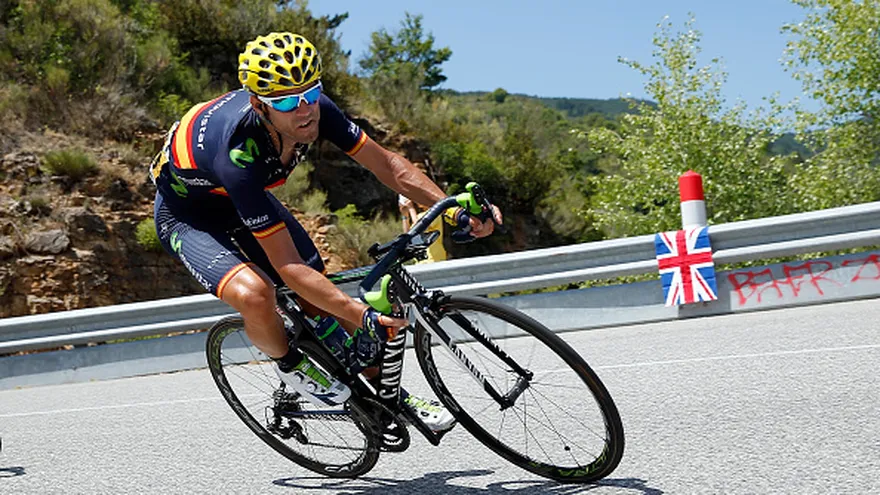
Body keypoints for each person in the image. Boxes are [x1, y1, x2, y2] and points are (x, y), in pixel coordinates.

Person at [150, 32, 501, 432]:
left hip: (242, 199)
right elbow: (286, 266)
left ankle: (389, 399)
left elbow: (387, 165)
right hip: (189, 215)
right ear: (259, 105)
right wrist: (360, 313)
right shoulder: (238, 156)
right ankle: (291, 366)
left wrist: (449, 208)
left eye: (310, 92)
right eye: (284, 100)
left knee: (321, 294)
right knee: (257, 293)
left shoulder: (314, 109)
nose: (303, 110)